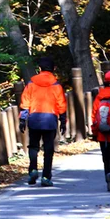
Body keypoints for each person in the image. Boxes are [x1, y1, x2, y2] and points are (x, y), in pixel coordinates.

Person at [20, 56, 67, 187]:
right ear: (53, 69)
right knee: (48, 149)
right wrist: (63, 121)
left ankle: (33, 170)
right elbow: (61, 104)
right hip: (50, 119)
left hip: (34, 118)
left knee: (33, 146)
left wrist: (23, 119)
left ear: (39, 68)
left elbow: (25, 103)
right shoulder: (56, 85)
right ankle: (46, 177)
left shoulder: (31, 84)